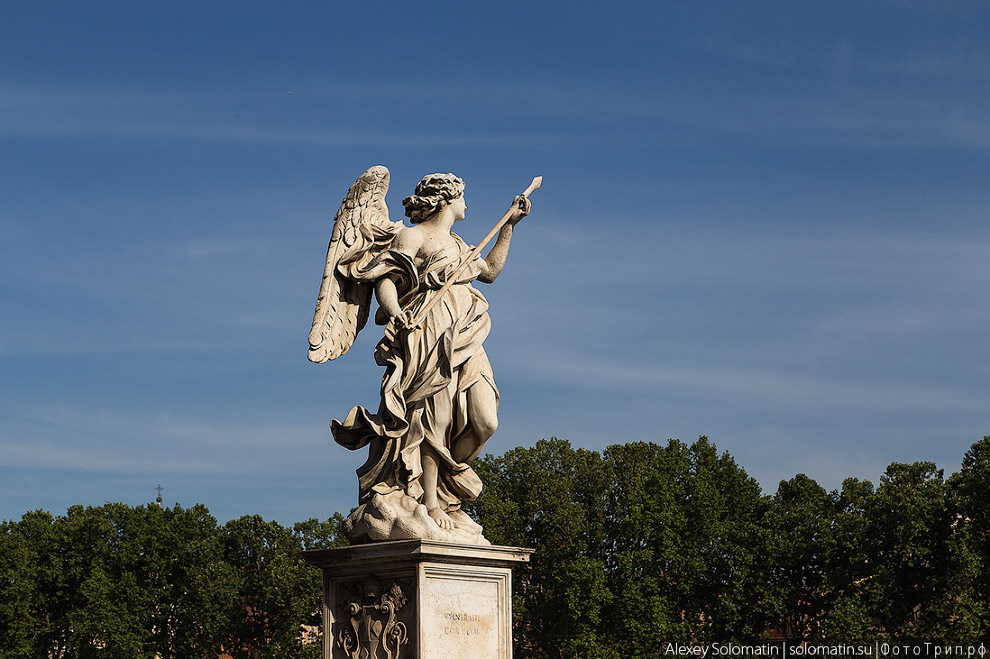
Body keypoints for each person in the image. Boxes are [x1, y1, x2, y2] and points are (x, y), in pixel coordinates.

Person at [331, 173, 530, 530]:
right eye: (463, 196)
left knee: (485, 420)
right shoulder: (413, 236)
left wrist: (509, 227)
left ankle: (448, 484)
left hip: (466, 335)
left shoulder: (460, 243)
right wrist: (395, 311)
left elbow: (492, 272)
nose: (467, 203)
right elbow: (386, 278)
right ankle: (432, 501)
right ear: (447, 199)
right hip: (428, 331)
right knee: (432, 420)